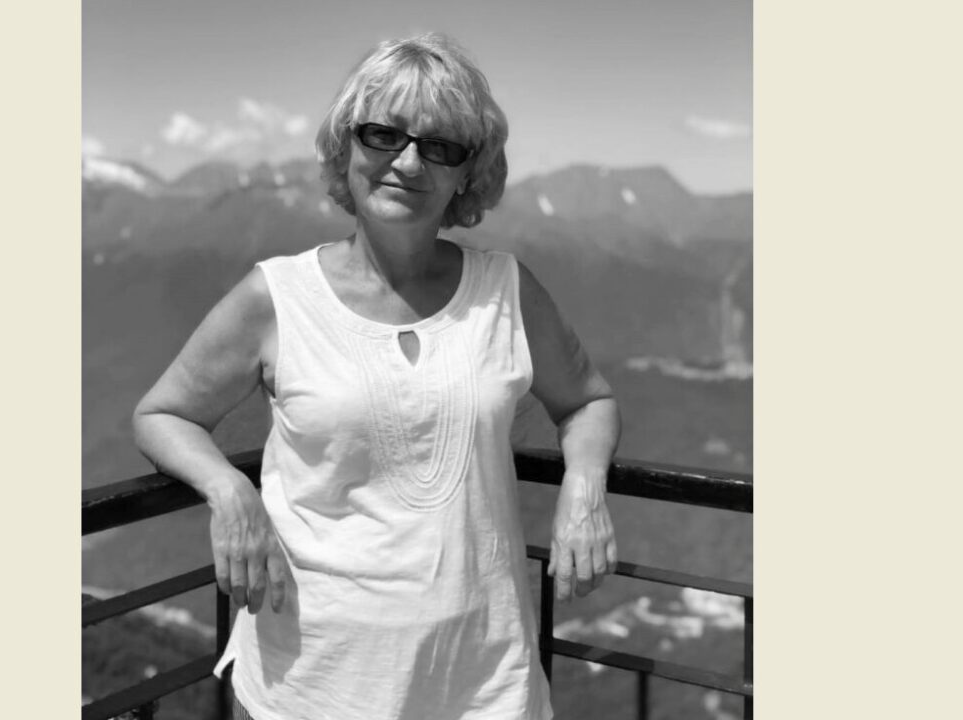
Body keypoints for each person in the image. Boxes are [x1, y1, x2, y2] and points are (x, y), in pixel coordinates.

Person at [133, 32, 620, 720]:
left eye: (440, 145)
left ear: (467, 173)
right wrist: (229, 490)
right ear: (346, 148)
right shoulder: (277, 297)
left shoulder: (507, 291)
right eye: (383, 134)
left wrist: (585, 487)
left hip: (482, 683)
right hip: (310, 685)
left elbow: (588, 402)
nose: (408, 161)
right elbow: (163, 414)